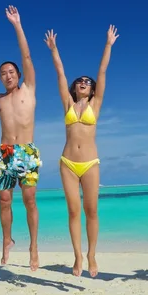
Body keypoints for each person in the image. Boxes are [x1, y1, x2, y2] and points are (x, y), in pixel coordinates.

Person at [43, 25, 120, 278]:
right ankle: (77, 256)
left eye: (87, 82)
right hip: (67, 163)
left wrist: (108, 44)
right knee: (74, 211)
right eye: (80, 82)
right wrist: (54, 50)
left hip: (89, 163)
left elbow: (103, 71)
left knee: (92, 211)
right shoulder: (67, 102)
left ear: (93, 89)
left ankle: (92, 255)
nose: (83, 83)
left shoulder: (96, 104)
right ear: (74, 88)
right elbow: (60, 73)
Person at [0, 5, 42, 271]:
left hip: (26, 151)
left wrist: (17, 24)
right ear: (0, 78)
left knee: (29, 200)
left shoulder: (29, 88)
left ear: (18, 74)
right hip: (5, 153)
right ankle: (7, 240)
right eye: (3, 73)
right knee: (4, 200)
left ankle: (34, 247)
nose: (8, 76)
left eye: (11, 72)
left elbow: (26, 55)